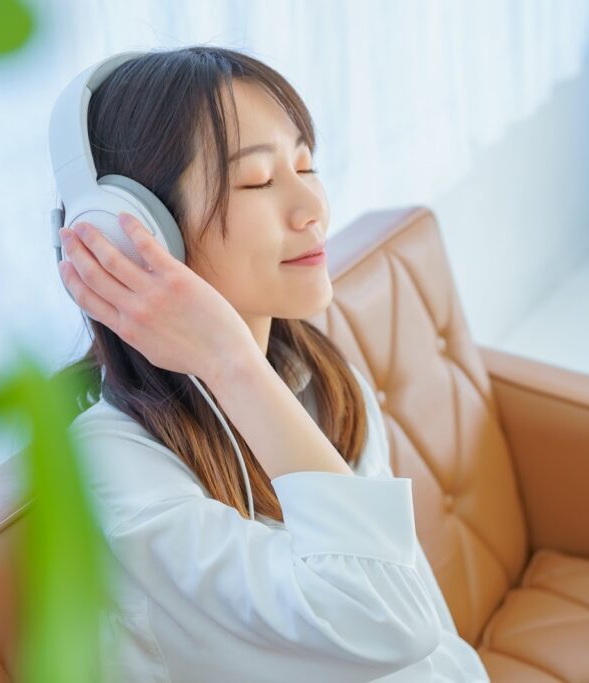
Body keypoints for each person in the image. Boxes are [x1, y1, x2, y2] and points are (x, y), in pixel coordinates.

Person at [55, 46, 489, 682]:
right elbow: (389, 616)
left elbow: (429, 641)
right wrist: (228, 359)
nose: (313, 208)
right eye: (258, 180)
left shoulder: (320, 379)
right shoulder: (115, 468)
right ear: (133, 230)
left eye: (306, 166)